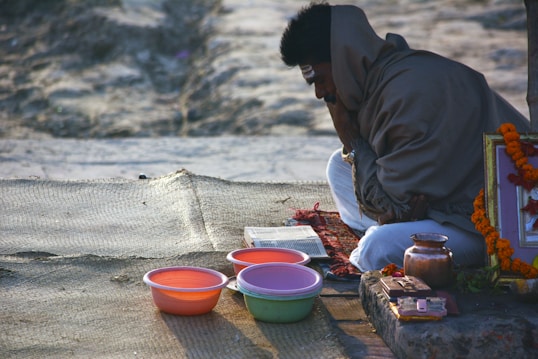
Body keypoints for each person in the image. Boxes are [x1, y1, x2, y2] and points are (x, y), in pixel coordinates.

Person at [279, 2, 530, 272]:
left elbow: (394, 209)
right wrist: (399, 209)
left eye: (320, 79)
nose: (319, 93)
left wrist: (350, 138)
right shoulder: (380, 78)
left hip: (488, 226)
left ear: (344, 60)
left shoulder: (403, 94)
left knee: (376, 248)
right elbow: (397, 207)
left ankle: (357, 269)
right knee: (338, 166)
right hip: (441, 204)